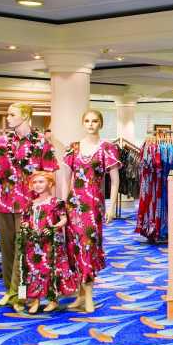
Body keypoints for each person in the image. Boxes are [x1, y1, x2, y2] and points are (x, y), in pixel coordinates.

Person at [0, 103, 57, 307]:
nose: (7, 117)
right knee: (7, 249)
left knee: (23, 249)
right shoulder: (0, 142)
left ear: (25, 116)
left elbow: (50, 175)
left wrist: (50, 204)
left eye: (12, 114)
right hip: (4, 202)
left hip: (30, 204)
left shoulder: (41, 142)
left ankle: (20, 293)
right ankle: (9, 290)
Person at [51, 109, 122, 313]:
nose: (91, 124)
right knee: (74, 248)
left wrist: (111, 206)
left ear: (101, 124)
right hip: (74, 204)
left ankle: (89, 295)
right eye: (87, 121)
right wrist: (62, 206)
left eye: (95, 121)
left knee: (88, 247)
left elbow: (115, 181)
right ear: (83, 123)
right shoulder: (73, 148)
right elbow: (65, 179)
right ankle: (80, 295)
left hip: (93, 205)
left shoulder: (107, 148)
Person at [17, 171, 78, 314]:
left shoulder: (56, 202)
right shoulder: (31, 203)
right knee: (33, 269)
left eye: (41, 182)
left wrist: (54, 227)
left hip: (50, 243)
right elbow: (25, 220)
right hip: (33, 243)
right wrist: (25, 226)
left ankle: (53, 300)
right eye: (35, 182)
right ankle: (35, 300)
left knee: (51, 269)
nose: (37, 185)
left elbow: (64, 219)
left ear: (50, 183)